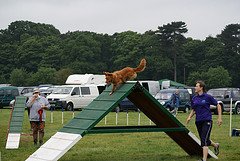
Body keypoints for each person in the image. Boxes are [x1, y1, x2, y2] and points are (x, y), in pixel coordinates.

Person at [186, 80, 222, 161]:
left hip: (207, 120)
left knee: (204, 141)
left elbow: (218, 105)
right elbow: (194, 109)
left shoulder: (207, 97)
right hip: (198, 121)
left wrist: (219, 118)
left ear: (201, 88)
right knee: (205, 139)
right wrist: (189, 117)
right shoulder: (194, 98)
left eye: (197, 86)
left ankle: (204, 159)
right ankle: (216, 145)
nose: (195, 87)